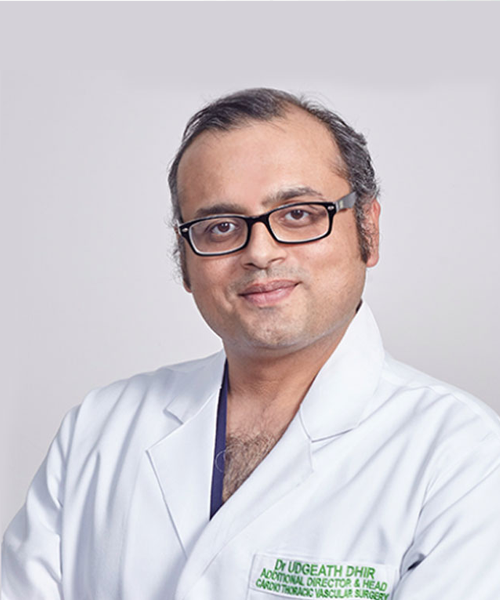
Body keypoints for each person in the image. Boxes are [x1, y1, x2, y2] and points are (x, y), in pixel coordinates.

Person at [2, 88, 500, 600]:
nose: (260, 252)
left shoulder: (463, 457)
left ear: (367, 229)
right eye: (220, 227)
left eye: (298, 214)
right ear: (185, 261)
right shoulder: (100, 428)